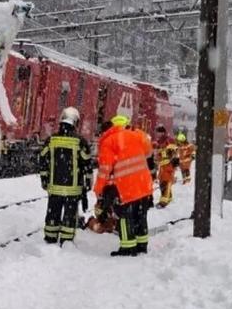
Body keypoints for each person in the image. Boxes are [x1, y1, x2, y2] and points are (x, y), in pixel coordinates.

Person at [94, 115, 154, 256]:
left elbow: (105, 169)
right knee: (141, 215)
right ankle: (141, 245)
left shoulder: (109, 141)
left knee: (125, 217)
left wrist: (98, 189)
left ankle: (127, 248)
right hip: (144, 183)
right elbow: (148, 152)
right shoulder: (137, 135)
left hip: (126, 186)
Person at [39, 107, 92, 245]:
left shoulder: (51, 140)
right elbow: (87, 165)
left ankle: (50, 237)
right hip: (72, 189)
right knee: (69, 216)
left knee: (53, 213)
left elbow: (43, 161)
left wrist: (44, 179)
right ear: (75, 122)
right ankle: (66, 240)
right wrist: (87, 184)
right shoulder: (80, 142)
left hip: (54, 187)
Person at [154, 126, 179, 208]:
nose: (157, 134)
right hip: (162, 166)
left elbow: (175, 151)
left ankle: (163, 202)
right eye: (157, 132)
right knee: (162, 182)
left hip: (169, 165)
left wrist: (175, 161)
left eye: (159, 132)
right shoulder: (158, 142)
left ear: (163, 132)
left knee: (166, 182)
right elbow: (158, 154)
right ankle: (169, 197)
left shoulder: (169, 140)